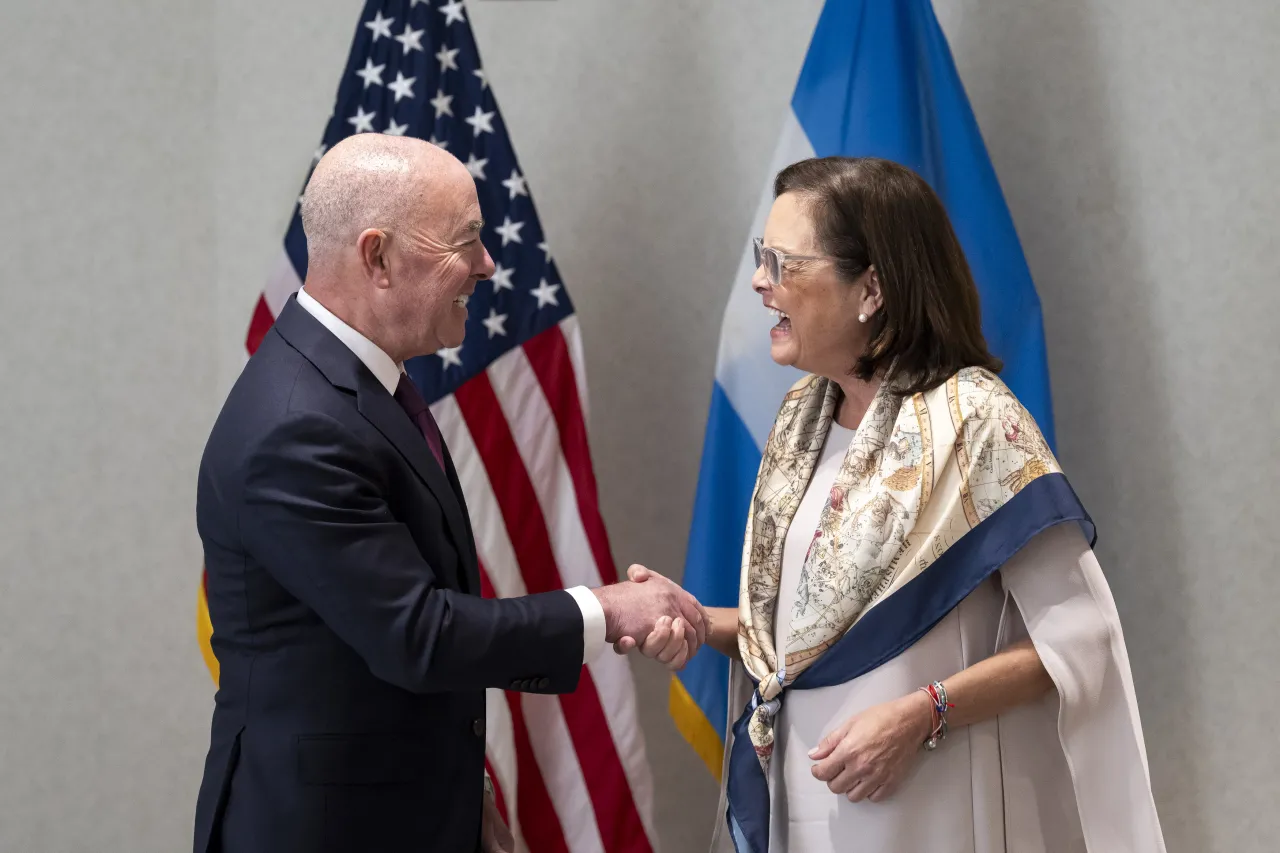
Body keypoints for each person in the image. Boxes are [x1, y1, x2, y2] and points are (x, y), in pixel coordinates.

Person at [192, 133, 705, 853]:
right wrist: (606, 607)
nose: (488, 264)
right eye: (466, 239)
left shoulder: (362, 385)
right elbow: (419, 635)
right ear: (378, 256)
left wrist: (466, 801)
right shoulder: (296, 427)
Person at [639, 157, 1165, 852]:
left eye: (782, 262)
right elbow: (816, 636)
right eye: (759, 256)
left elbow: (1076, 641)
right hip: (800, 803)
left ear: (872, 290)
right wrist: (704, 621)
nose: (761, 282)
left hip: (926, 809)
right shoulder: (800, 417)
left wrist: (924, 712)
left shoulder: (977, 421)